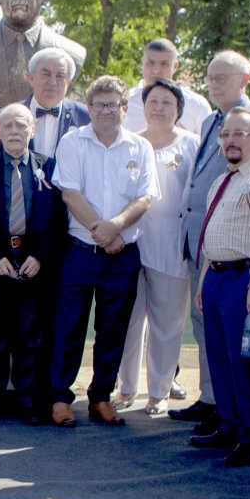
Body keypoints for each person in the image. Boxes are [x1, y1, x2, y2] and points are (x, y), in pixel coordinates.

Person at [171, 51, 250, 431]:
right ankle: (218, 407)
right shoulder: (210, 123)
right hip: (207, 254)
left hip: (246, 266)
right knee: (214, 341)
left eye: (223, 77)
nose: (214, 84)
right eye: (211, 77)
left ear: (245, 79)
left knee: (247, 347)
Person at [49, 75, 159, 427]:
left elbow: (145, 197)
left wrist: (116, 228)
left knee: (113, 328)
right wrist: (104, 233)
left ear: (125, 108)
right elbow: (70, 193)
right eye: (99, 105)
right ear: (89, 108)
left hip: (123, 254)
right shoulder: (72, 142)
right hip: (79, 252)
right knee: (69, 326)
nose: (105, 111)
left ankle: (100, 397)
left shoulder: (140, 147)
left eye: (113, 104)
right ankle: (59, 398)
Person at [0, 104, 64, 424]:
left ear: (32, 130)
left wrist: (40, 257)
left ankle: (28, 399)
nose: (15, 131)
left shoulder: (50, 167)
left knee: (31, 336)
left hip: (33, 264)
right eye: (8, 126)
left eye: (21, 125)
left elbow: (60, 222)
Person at [188, 108, 250, 467]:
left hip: (244, 278)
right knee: (219, 357)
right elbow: (211, 234)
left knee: (245, 361)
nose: (230, 140)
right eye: (226, 134)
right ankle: (228, 425)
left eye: (240, 133)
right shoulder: (222, 180)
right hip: (216, 277)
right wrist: (204, 282)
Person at [117, 79, 200, 415]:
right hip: (130, 245)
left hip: (170, 244)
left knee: (166, 323)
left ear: (179, 110)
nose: (160, 108)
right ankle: (126, 387)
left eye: (168, 102)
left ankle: (159, 391)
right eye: (153, 101)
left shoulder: (191, 144)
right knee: (128, 321)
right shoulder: (130, 144)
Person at [123, 39, 212, 133]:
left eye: (164, 64)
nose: (156, 70)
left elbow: (210, 141)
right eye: (151, 62)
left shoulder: (196, 105)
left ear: (175, 66)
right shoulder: (124, 102)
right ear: (142, 63)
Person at [20, 47, 89, 157]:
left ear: (68, 82)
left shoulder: (86, 118)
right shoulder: (4, 117)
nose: (52, 82)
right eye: (45, 74)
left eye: (60, 76)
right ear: (31, 78)